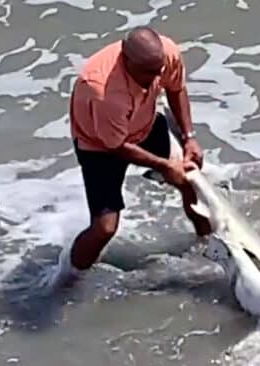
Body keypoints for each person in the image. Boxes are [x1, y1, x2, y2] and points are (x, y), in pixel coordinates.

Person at [59, 26, 211, 280]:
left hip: (144, 123)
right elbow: (115, 146)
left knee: (189, 178)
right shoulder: (102, 90)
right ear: (127, 61)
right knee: (104, 228)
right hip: (100, 146)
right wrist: (164, 165)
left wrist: (189, 137)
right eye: (149, 73)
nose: (155, 80)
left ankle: (208, 241)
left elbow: (176, 88)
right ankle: (69, 277)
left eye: (159, 71)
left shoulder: (165, 54)